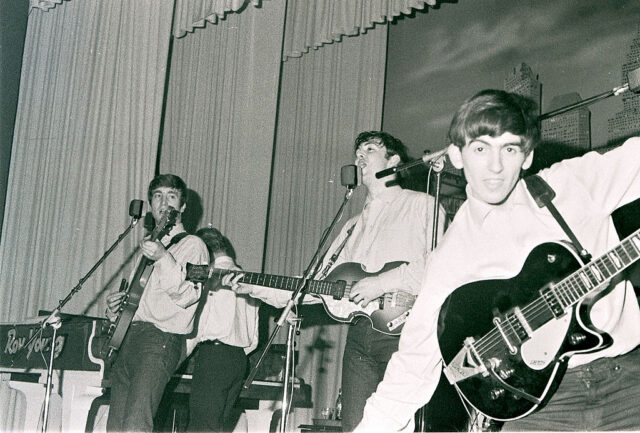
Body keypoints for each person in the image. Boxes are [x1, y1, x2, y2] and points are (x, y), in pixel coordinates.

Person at [355, 90, 640, 431]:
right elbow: (414, 364)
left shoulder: (570, 185)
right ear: (457, 156)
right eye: (480, 148)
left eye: (509, 148)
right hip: (543, 405)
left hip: (628, 379)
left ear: (527, 155)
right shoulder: (453, 254)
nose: (495, 166)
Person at [226, 131, 445, 431]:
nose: (359, 157)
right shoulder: (352, 227)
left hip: (407, 334)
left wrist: (380, 283)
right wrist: (253, 286)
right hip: (358, 340)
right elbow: (315, 285)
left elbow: (438, 269)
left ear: (394, 161)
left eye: (370, 149)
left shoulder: (422, 206)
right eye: (357, 153)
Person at [105, 174, 209, 432]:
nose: (164, 202)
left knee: (135, 426)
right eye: (157, 196)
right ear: (150, 204)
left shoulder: (195, 246)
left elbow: (188, 295)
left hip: (159, 341)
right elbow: (137, 302)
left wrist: (163, 257)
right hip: (129, 339)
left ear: (183, 206)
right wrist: (115, 311)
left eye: (171, 196)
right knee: (115, 427)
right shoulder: (151, 246)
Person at [185, 227, 260, 432]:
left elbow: (196, 328)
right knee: (217, 428)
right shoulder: (250, 281)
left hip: (213, 357)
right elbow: (253, 338)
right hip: (237, 361)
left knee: (202, 427)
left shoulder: (210, 278)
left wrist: (174, 359)